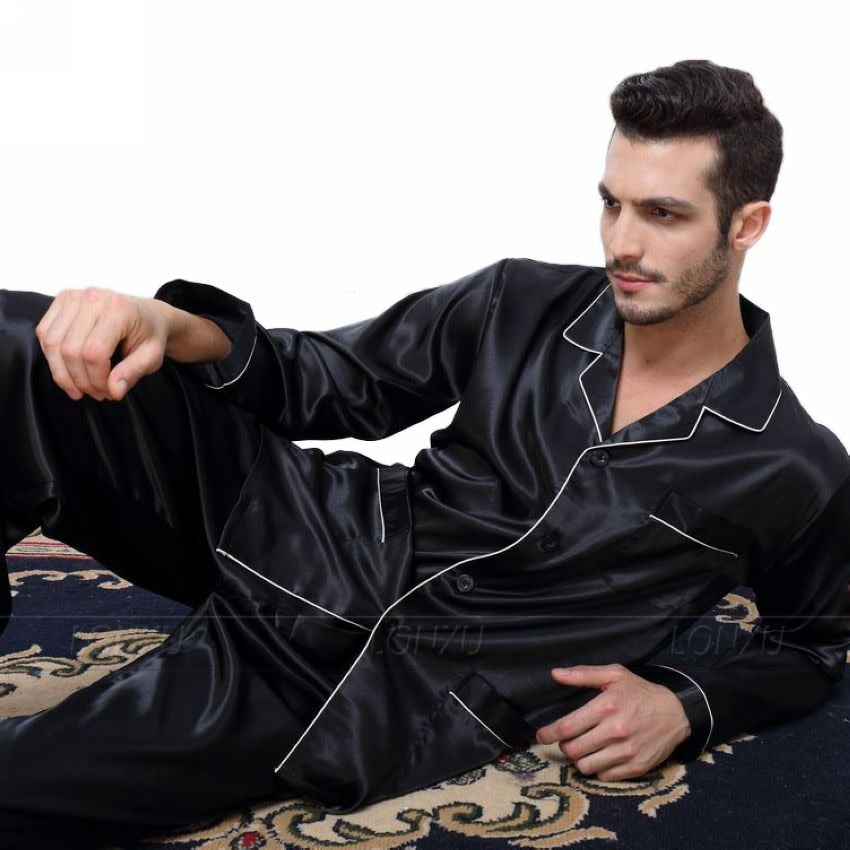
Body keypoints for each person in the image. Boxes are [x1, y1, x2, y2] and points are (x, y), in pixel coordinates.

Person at [0, 57, 848, 847]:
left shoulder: (795, 467)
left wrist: (685, 703)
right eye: (610, 203)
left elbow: (813, 645)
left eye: (662, 214)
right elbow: (322, 382)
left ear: (747, 225)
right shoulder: (522, 299)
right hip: (307, 526)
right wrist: (161, 320)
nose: (622, 242)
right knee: (18, 341)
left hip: (371, 687)